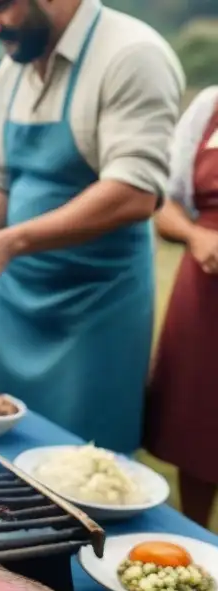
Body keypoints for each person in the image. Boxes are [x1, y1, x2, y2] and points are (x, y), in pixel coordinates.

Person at [0, 0, 184, 454]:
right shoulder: (13, 68)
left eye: (2, 7)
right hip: (14, 300)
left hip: (96, 306)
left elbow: (134, 191)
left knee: (84, 463)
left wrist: (6, 243)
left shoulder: (132, 54)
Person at [144, 86, 218, 529]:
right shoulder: (210, 105)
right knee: (201, 418)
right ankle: (198, 537)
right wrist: (197, 237)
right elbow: (163, 202)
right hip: (208, 290)